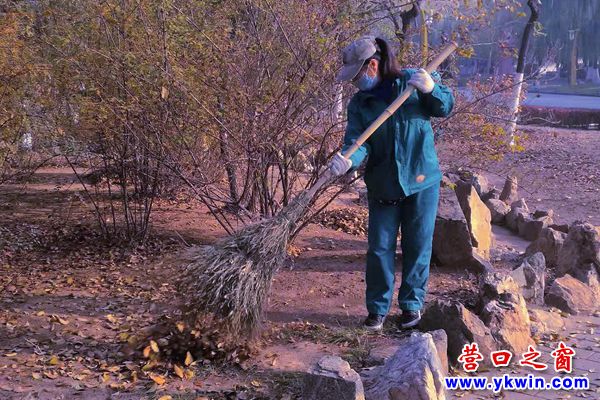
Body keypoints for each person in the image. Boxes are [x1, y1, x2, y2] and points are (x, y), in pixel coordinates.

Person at [329, 36, 454, 331]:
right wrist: (349, 159)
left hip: (421, 179)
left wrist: (432, 89)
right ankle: (377, 309)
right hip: (383, 182)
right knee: (379, 248)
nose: (355, 83)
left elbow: (444, 106)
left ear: (373, 65)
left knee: (418, 244)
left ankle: (411, 306)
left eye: (357, 76)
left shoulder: (414, 82)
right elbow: (357, 141)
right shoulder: (361, 103)